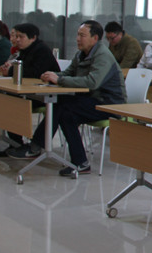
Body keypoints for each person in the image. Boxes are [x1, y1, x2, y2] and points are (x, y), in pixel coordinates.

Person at [8, 21, 125, 176]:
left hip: (108, 104)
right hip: (89, 100)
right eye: (77, 35)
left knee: (63, 107)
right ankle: (80, 162)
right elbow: (68, 73)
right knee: (64, 112)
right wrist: (52, 75)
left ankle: (36, 146)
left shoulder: (103, 56)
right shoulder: (80, 54)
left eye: (82, 35)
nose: (77, 38)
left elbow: (92, 82)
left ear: (95, 38)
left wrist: (59, 79)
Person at [0, 23, 61, 155]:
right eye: (16, 36)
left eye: (21, 37)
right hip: (30, 92)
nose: (17, 40)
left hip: (47, 94)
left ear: (33, 38)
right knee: (7, 101)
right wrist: (8, 68)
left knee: (12, 103)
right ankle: (16, 144)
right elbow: (20, 68)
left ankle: (26, 145)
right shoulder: (25, 50)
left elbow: (35, 73)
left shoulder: (41, 50)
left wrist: (11, 71)